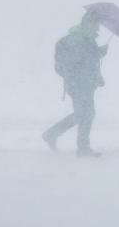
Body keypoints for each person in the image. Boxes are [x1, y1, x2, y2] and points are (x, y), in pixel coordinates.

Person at [43, 10, 108, 157]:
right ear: (88, 23)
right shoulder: (77, 40)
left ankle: (52, 134)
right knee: (86, 114)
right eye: (96, 25)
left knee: (83, 114)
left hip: (84, 83)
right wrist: (96, 53)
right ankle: (82, 148)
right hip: (78, 84)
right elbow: (77, 62)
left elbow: (89, 61)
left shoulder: (87, 39)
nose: (98, 28)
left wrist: (98, 58)